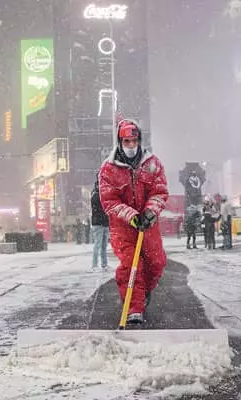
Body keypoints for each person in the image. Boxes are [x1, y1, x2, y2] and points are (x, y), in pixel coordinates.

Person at [99, 119, 169, 324]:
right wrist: (130, 215)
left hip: (148, 225)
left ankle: (142, 292)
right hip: (123, 228)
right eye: (127, 141)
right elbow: (109, 200)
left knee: (157, 263)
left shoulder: (152, 164)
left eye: (134, 141)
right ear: (120, 142)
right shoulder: (108, 169)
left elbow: (160, 191)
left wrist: (150, 212)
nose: (131, 146)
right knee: (132, 266)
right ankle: (133, 308)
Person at [91, 176, 109, 270]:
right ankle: (94, 265)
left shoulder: (102, 194)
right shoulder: (96, 194)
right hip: (98, 224)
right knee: (98, 245)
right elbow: (101, 207)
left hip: (105, 223)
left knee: (104, 246)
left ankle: (104, 264)